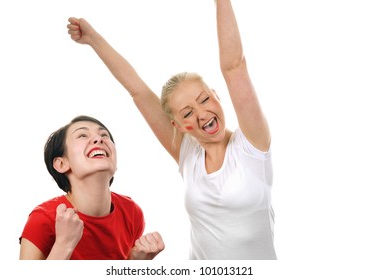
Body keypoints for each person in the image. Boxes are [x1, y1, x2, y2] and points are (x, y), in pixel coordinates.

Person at [67, 0, 276, 260]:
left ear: (217, 96)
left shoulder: (252, 146)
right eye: (187, 113)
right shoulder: (187, 153)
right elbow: (138, 90)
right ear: (177, 125)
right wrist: (94, 39)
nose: (201, 114)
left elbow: (234, 67)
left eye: (204, 99)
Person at [19, 115, 165, 260]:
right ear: (61, 164)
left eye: (104, 135)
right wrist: (64, 245)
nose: (98, 139)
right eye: (82, 135)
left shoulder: (132, 213)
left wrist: (135, 265)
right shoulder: (42, 220)